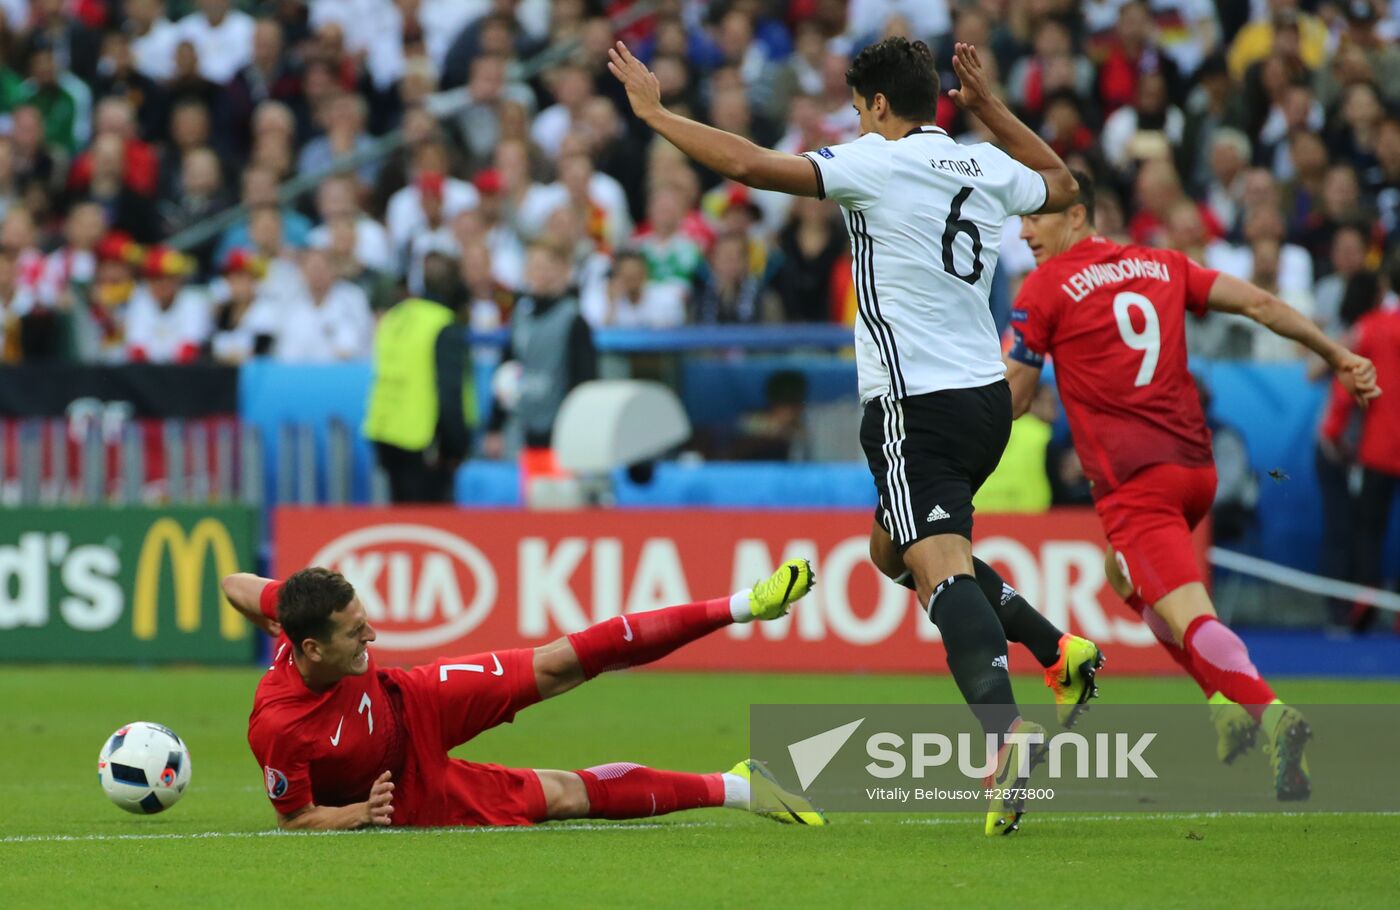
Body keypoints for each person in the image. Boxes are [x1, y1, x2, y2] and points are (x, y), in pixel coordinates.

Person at [608, 36, 1091, 837]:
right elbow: (1065, 184)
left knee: (937, 567)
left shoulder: (876, 161)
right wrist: (992, 108)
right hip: (984, 401)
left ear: (874, 106)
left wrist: (658, 114)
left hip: (914, 403)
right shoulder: (983, 163)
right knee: (890, 550)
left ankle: (1007, 738)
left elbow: (754, 167)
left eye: (857, 107)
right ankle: (1056, 649)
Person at [1007, 170, 1380, 801]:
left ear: (1079, 217)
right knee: (1122, 576)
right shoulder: (1162, 264)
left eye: (1037, 217)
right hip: (1196, 470)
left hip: (1136, 484)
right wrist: (1337, 355)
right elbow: (1262, 304)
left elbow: (1014, 399)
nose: (1025, 231)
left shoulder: (1043, 289)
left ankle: (1272, 715)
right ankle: (1223, 704)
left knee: (1191, 613)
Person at [223, 561, 824, 830]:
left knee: (559, 662)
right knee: (561, 795)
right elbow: (295, 819)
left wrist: (269, 611)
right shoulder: (279, 726)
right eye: (356, 633)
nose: (373, 634)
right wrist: (358, 814)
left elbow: (235, 584)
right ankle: (744, 788)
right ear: (311, 650)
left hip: (411, 699)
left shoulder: (303, 619)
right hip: (402, 791)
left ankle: (744, 604)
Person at [364, 252, 476, 504]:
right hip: (425, 438)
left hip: (385, 429)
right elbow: (448, 391)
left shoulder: (396, 316)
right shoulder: (443, 324)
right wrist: (457, 444)